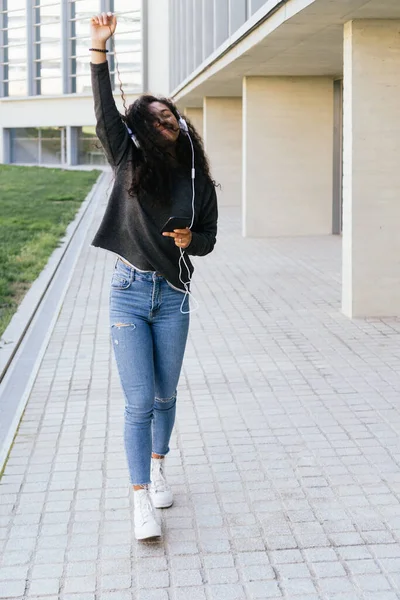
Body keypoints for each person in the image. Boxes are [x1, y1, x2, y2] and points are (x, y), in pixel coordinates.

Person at [90, 12, 218, 540]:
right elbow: (104, 116)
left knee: (165, 397)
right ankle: (139, 496)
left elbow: (210, 238)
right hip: (128, 292)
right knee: (139, 400)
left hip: (174, 298)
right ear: (143, 127)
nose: (166, 122)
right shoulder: (129, 158)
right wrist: (100, 50)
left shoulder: (197, 176)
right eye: (157, 117)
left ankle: (160, 465)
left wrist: (194, 241)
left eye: (171, 116)